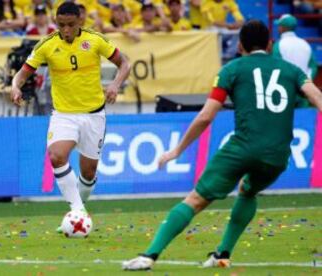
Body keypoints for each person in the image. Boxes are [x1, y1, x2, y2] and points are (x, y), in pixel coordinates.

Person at [122, 20, 322, 271]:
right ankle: (222, 255)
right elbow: (316, 97)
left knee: (195, 200)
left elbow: (206, 116)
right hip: (277, 154)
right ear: (270, 44)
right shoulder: (292, 71)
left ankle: (148, 255)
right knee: (248, 190)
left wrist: (177, 150)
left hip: (242, 148)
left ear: (239, 46)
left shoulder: (232, 70)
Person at [11, 2, 130, 227]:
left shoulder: (95, 40)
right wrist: (15, 86)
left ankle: (79, 211)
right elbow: (23, 72)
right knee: (56, 156)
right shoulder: (47, 45)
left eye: (71, 25)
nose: (65, 30)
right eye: (61, 25)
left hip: (94, 114)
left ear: (80, 22)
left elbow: (124, 63)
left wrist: (115, 84)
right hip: (63, 114)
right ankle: (78, 212)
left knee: (89, 172)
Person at [273, 14, 318, 108]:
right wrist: (306, 83)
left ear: (282, 28)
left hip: (285, 92)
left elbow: (275, 68)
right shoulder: (305, 44)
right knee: (304, 119)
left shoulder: (278, 45)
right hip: (303, 91)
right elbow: (313, 66)